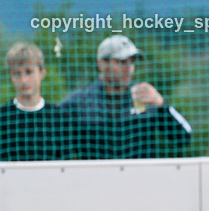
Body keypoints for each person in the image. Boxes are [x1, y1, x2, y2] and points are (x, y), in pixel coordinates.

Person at [60, 35, 191, 159]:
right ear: (101, 63)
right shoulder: (78, 103)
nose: (128, 68)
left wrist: (162, 105)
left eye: (132, 62)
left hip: (140, 180)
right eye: (121, 62)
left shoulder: (146, 99)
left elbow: (184, 137)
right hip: (96, 180)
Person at [1, 42, 75, 161]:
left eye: (29, 72)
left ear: (42, 72)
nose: (23, 80)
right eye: (17, 73)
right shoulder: (3, 117)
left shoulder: (59, 118)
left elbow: (65, 167)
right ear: (11, 77)